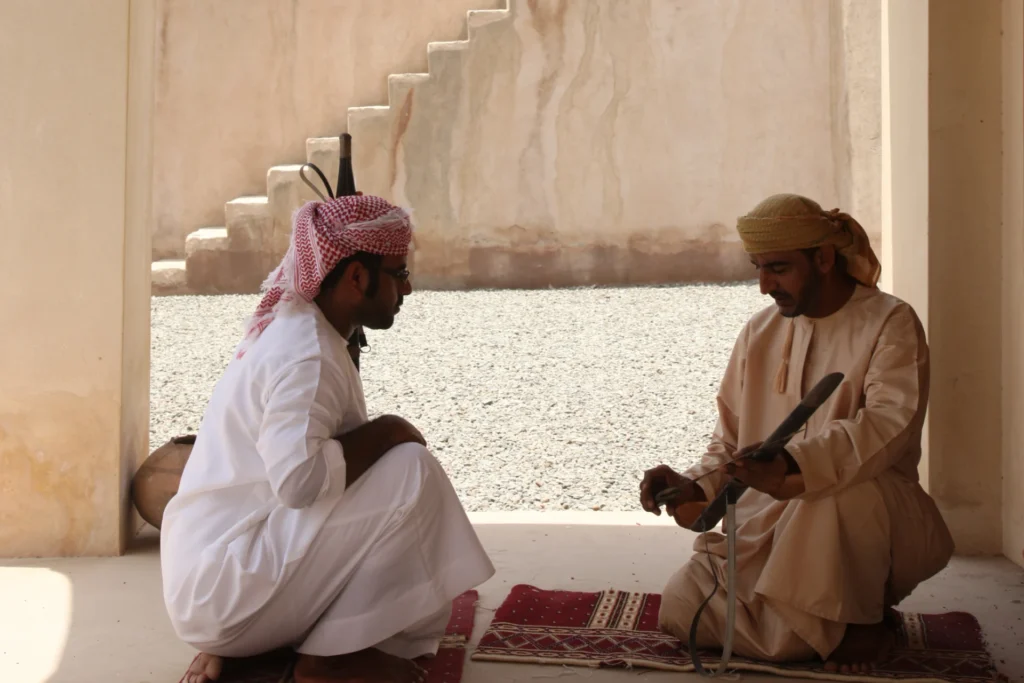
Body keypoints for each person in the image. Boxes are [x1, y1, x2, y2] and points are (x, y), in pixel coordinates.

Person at [161, 194, 495, 683]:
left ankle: (256, 649)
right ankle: (332, 660)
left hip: (218, 582)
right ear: (358, 277)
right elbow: (298, 484)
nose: (408, 288)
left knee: (387, 472)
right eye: (399, 272)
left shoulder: (298, 329)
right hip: (225, 588)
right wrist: (390, 430)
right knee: (411, 472)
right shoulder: (307, 355)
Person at [640, 193, 954, 674]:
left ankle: (854, 622)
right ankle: (828, 628)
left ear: (824, 259)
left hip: (858, 512)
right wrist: (692, 485)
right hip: (763, 521)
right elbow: (728, 442)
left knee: (830, 492)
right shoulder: (759, 332)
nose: (765, 285)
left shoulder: (890, 322)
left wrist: (794, 466)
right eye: (758, 268)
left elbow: (885, 428)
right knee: (679, 606)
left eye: (779, 268)